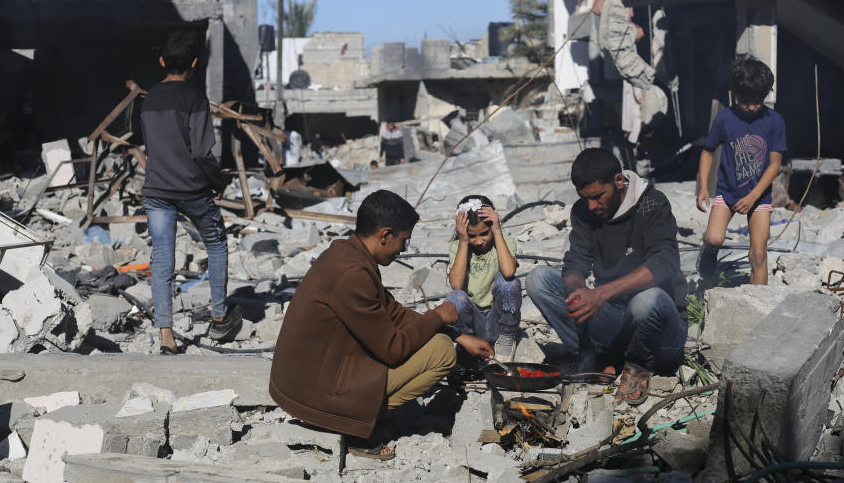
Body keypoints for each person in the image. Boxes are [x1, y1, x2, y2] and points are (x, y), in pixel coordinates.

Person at [269, 190, 494, 459]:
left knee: (443, 342)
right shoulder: (353, 273)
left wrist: (458, 335)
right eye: (403, 241)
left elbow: (393, 312)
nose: (403, 250)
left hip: (309, 378)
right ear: (385, 235)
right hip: (310, 394)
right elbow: (393, 349)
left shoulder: (348, 253)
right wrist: (438, 316)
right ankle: (354, 426)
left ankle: (359, 414)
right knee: (442, 354)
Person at [525, 148, 687, 404]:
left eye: (598, 196)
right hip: (615, 322)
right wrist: (578, 291)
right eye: (585, 198)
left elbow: (664, 262)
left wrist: (600, 294)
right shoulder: (583, 212)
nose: (591, 205)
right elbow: (575, 264)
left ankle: (637, 365)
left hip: (661, 335)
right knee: (538, 280)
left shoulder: (652, 203)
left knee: (646, 301)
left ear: (619, 181)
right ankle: (597, 359)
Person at [141, 31, 242, 354]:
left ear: (161, 61)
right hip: (192, 189)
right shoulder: (195, 98)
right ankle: (219, 316)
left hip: (156, 189)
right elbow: (201, 152)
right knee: (215, 245)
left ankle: (166, 335)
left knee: (162, 259)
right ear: (195, 64)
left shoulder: (149, 98)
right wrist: (218, 182)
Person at [695, 57, 786, 286]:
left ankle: (759, 306)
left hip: (758, 196)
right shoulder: (724, 119)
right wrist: (704, 187)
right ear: (735, 93)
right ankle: (707, 256)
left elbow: (775, 164)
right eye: (746, 102)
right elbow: (708, 152)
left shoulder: (774, 121)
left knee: (758, 255)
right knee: (714, 237)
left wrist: (753, 196)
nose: (752, 107)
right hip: (727, 192)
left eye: (757, 101)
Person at [445, 195, 522, 362]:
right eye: (473, 236)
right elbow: (456, 285)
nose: (479, 241)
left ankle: (507, 339)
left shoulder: (503, 241)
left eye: (484, 233)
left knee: (510, 283)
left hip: (498, 319)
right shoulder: (458, 247)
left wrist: (497, 231)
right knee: (455, 298)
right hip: (473, 323)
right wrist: (464, 242)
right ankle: (468, 346)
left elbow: (509, 272)